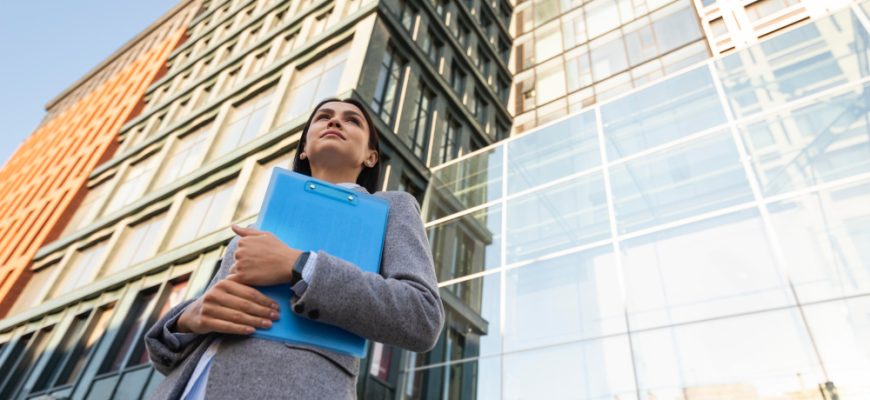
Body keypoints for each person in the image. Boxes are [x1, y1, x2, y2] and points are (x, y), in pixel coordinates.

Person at [144, 97, 445, 399]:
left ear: (370, 157)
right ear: (304, 148)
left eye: (352, 120)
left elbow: (422, 316)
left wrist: (300, 266)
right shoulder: (255, 231)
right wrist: (190, 317)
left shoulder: (390, 208)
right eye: (323, 116)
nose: (335, 121)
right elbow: (164, 357)